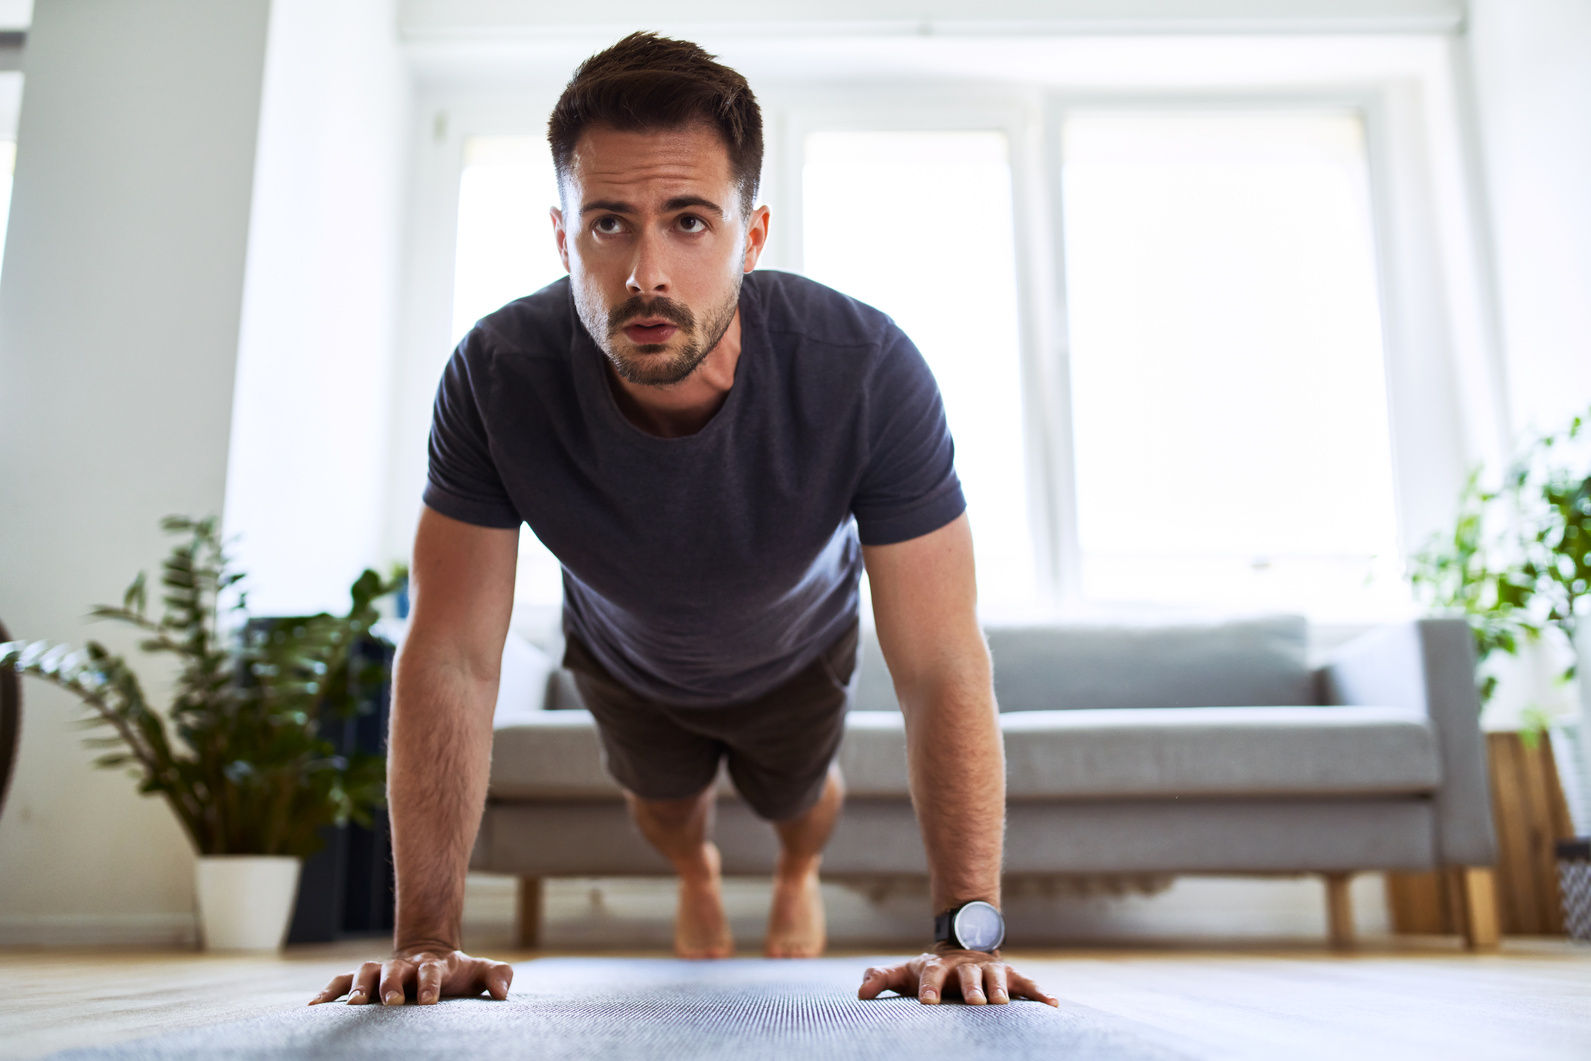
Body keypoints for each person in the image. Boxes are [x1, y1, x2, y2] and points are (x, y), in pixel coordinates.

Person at [311, 32, 1057, 1011]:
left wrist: (966, 927)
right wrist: (425, 939)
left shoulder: (865, 370)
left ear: (751, 237)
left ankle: (794, 869)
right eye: (609, 223)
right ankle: (698, 870)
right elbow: (450, 652)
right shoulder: (496, 376)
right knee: (665, 815)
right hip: (627, 660)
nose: (645, 274)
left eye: (690, 221)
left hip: (795, 652)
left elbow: (940, 660)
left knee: (797, 804)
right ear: (562, 235)